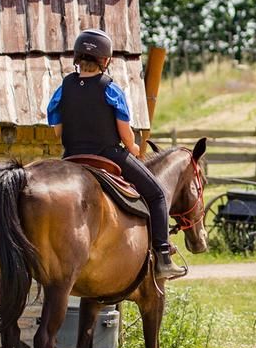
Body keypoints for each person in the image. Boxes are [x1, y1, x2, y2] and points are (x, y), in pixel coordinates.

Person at [46, 29, 187, 281]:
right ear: (106, 60)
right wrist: (133, 148)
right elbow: (125, 135)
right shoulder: (110, 89)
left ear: (77, 58)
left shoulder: (63, 88)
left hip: (72, 157)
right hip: (108, 154)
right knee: (156, 194)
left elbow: (58, 131)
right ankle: (163, 257)